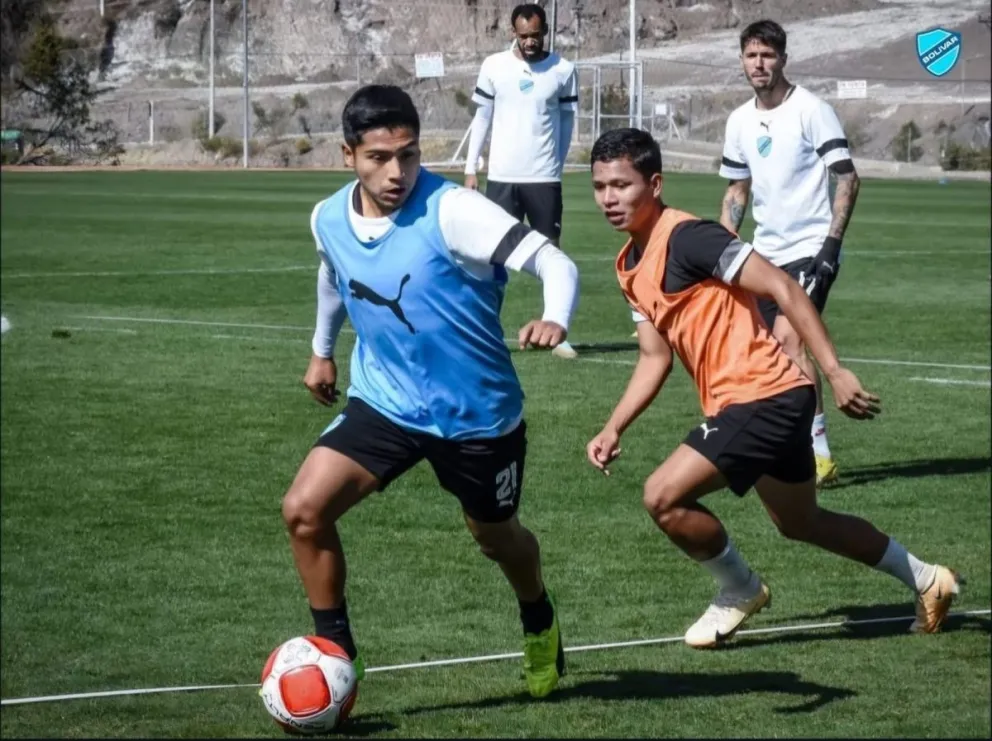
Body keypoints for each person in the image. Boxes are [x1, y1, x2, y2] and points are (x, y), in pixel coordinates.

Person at [585, 127, 961, 649]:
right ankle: (928, 579)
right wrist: (613, 425)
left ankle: (739, 588)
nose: (609, 198)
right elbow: (655, 356)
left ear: (654, 183)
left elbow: (783, 288)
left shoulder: (691, 237)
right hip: (762, 400)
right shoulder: (627, 266)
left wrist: (834, 370)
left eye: (621, 185)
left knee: (662, 496)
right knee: (800, 521)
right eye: (600, 186)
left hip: (765, 395)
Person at [282, 84, 577, 697]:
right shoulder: (327, 216)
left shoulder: (454, 211)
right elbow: (333, 275)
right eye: (379, 158)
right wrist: (321, 351)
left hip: (475, 416)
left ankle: (539, 617)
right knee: (304, 512)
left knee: (497, 539)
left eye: (409, 156)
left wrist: (555, 317)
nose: (397, 172)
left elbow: (557, 263)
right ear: (348, 156)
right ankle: (338, 658)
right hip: (384, 402)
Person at [718, 19, 862, 488]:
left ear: (783, 58)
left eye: (767, 55)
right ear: (741, 60)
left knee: (790, 340)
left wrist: (831, 248)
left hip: (810, 249)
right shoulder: (739, 120)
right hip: (765, 252)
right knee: (771, 354)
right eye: (751, 55)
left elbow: (847, 177)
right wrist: (722, 249)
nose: (759, 64)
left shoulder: (811, 110)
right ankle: (799, 449)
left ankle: (818, 456)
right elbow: (738, 188)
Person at [464, 2, 580, 360]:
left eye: (536, 35)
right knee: (490, 260)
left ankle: (556, 331)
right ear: (513, 32)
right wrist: (471, 168)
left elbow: (565, 123)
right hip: (500, 177)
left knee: (552, 255)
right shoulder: (494, 67)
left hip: (543, 180)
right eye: (523, 35)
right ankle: (485, 333)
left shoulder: (563, 69)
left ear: (545, 31)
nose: (530, 42)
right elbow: (481, 119)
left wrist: (554, 168)